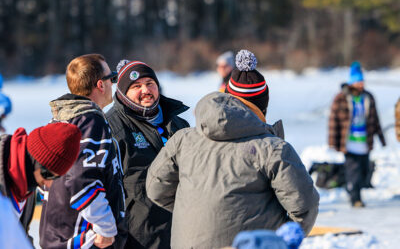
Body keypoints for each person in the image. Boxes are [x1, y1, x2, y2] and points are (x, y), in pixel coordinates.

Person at [146, 50, 319, 248]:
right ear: (262, 105)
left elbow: (155, 187)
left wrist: (196, 212)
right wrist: (278, 239)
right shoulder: (273, 149)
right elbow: (305, 207)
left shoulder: (183, 139)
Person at [39, 54, 126, 249]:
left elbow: (43, 177)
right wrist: (106, 228)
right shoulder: (90, 121)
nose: (113, 83)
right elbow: (81, 180)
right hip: (83, 239)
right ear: (100, 85)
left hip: (58, 237)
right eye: (111, 77)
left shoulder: (60, 121)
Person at [106, 60, 189, 249]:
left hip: (180, 232)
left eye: (150, 84)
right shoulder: (112, 128)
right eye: (136, 86)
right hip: (138, 237)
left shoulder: (179, 125)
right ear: (123, 92)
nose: (145, 90)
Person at [328, 61, 386, 207]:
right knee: (353, 170)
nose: (361, 84)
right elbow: (333, 120)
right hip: (348, 141)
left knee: (365, 170)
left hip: (365, 141)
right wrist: (332, 141)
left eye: (362, 81)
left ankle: (353, 191)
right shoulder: (341, 97)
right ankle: (355, 198)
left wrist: (381, 138)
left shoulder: (368, 97)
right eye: (359, 82)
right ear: (352, 82)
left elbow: (375, 119)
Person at [0, 122, 81, 218]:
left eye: (56, 178)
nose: (48, 184)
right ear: (33, 160)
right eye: (47, 174)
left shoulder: (24, 188)